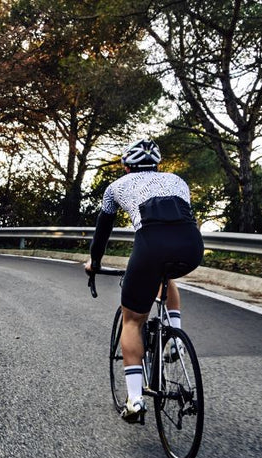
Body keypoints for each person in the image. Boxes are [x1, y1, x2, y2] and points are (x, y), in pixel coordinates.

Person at [84, 139, 203, 423]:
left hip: (151, 246)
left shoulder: (115, 188)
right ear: (157, 165)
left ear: (126, 166)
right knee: (167, 275)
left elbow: (102, 231)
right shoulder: (177, 180)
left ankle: (135, 399)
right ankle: (175, 338)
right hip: (191, 247)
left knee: (133, 320)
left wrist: (94, 263)